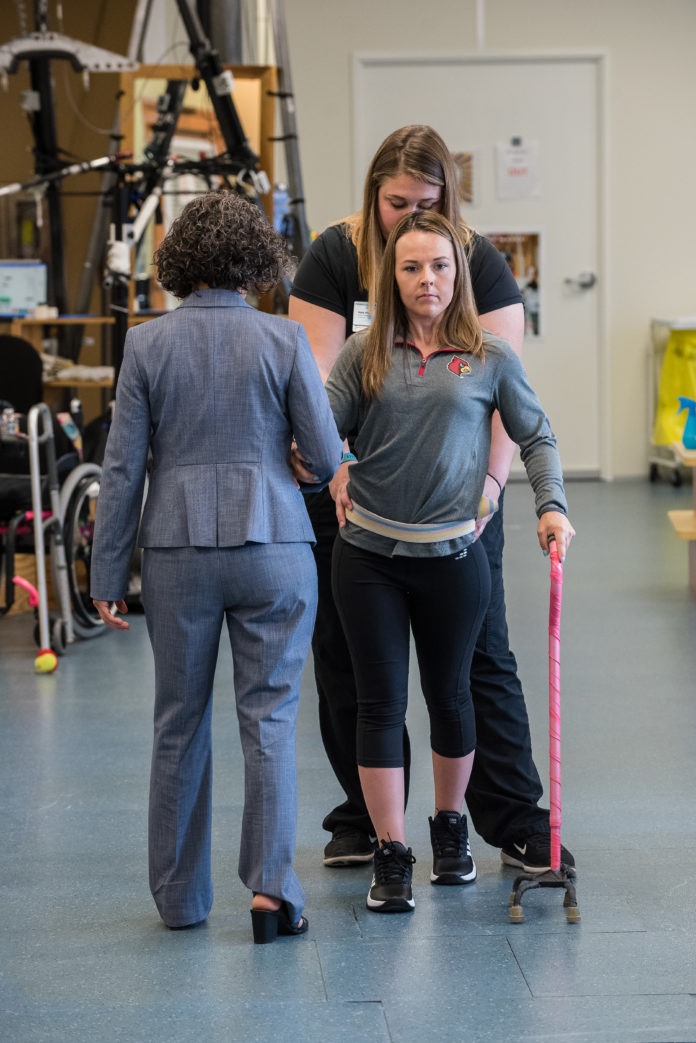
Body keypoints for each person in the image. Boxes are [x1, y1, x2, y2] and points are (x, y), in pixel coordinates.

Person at [289, 124, 574, 873]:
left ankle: (511, 819)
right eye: (395, 203)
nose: (409, 216)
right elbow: (316, 386)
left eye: (427, 202)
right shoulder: (334, 254)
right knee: (354, 660)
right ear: (372, 197)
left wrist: (489, 489)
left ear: (449, 202)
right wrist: (336, 461)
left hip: (459, 496)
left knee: (478, 658)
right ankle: (369, 820)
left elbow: (506, 399)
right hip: (353, 488)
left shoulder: (474, 257)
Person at [90, 191, 342, 943]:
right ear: (256, 263)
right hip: (274, 549)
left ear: (179, 264)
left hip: (177, 553)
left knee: (178, 722)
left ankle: (179, 899)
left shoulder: (146, 344)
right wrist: (293, 465)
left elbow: (122, 467)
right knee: (269, 720)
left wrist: (107, 576)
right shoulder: (285, 339)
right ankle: (270, 892)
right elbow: (326, 456)